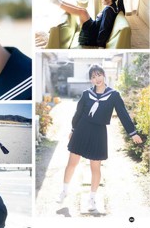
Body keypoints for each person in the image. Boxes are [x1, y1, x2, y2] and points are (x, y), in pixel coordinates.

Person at [57, 65, 143, 211]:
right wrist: (73, 129)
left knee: (95, 167)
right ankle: (64, 191)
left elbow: (123, 114)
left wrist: (133, 133)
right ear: (91, 80)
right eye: (93, 77)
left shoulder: (114, 95)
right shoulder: (86, 94)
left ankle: (92, 199)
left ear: (103, 75)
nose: (96, 79)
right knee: (72, 163)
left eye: (98, 75)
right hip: (82, 129)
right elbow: (78, 113)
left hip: (99, 132)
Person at [51, 0, 126, 48]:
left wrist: (100, 45)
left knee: (82, 12)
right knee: (83, 10)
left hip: (90, 37)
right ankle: (58, 0)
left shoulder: (108, 10)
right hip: (93, 28)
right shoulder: (112, 7)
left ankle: (57, 2)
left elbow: (104, 29)